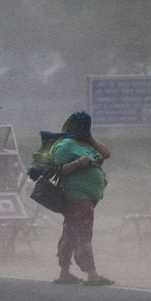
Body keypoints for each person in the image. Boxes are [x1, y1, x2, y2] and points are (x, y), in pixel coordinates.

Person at [48, 111, 114, 286]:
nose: (84, 128)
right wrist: (78, 163)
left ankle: (64, 273)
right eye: (81, 125)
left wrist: (90, 138)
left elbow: (106, 154)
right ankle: (91, 274)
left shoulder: (87, 144)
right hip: (77, 195)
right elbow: (58, 169)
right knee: (84, 234)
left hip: (88, 197)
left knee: (70, 233)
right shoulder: (66, 145)